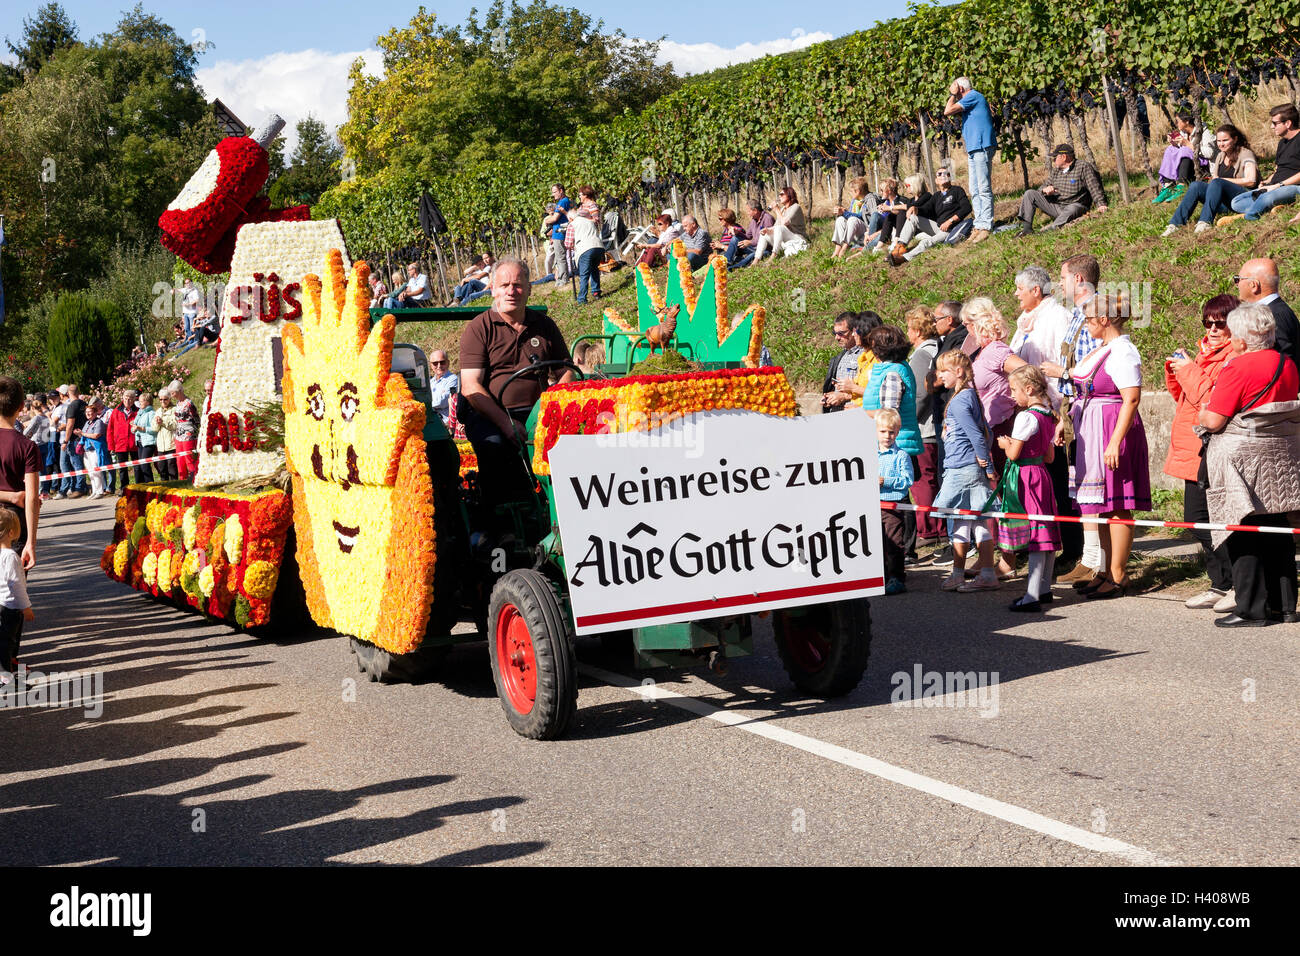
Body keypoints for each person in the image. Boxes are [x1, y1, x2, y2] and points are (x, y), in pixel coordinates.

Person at [1199, 303, 1300, 626]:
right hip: (1280, 457)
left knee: (1241, 530)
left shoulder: (1238, 367)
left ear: (1241, 340)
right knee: (1277, 528)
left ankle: (1251, 608)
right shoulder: (1288, 364)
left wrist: (1201, 413)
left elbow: (1215, 420)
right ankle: (1284, 606)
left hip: (1243, 459)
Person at [457, 257, 575, 524]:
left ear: (530, 288)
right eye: (505, 285)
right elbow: (470, 386)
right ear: (493, 289)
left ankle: (566, 514)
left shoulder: (544, 325)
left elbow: (566, 371)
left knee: (575, 441)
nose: (512, 291)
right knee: (495, 446)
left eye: (518, 285)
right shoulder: (479, 328)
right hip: (493, 415)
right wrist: (506, 424)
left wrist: (551, 405)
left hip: (540, 413)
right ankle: (502, 523)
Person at [1069, 291, 1151, 600]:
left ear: (1104, 320)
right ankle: (1103, 570)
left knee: (1116, 505)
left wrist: (1116, 440)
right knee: (1098, 505)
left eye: (1089, 319)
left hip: (1112, 428)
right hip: (1095, 426)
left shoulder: (1123, 351)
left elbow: (1131, 398)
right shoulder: (1105, 349)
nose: (1087, 325)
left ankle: (1118, 574)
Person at [1165, 294, 1238, 612]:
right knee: (1197, 520)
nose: (1212, 329)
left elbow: (1211, 398)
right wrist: (1175, 371)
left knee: (1210, 519)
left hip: (1210, 445)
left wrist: (1190, 369)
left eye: (1219, 323)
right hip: (1189, 443)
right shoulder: (1206, 352)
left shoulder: (1234, 356)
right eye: (1207, 322)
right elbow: (1185, 397)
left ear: (1233, 325)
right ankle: (1220, 583)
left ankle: (1235, 583)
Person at [1009, 264, 1080, 565]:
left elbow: (1065, 361)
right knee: (1037, 485)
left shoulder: (1057, 316)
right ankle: (1041, 544)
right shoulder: (1026, 320)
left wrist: (1060, 412)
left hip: (1050, 410)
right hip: (1031, 409)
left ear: (1036, 291)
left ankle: (1071, 549)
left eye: (1020, 290)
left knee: (1058, 482)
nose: (1016, 295)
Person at [1041, 254, 1105, 583]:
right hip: (1075, 406)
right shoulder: (1079, 314)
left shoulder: (1095, 312)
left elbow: (1099, 363)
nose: (1060, 284)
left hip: (1090, 404)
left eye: (1063, 278)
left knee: (1092, 484)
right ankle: (1090, 556)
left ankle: (1098, 560)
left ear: (1079, 280)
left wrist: (1060, 371)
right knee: (1081, 484)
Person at [992, 365, 1061, 612]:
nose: (1012, 395)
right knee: (1046, 529)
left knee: (1035, 532)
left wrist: (1004, 445)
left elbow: (1014, 454)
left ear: (1029, 389)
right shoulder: (1048, 415)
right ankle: (1044, 589)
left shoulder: (1026, 416)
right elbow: (1050, 456)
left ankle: (1031, 595)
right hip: (1041, 474)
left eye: (1014, 389)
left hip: (1025, 477)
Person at [932, 350, 1000, 592]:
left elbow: (978, 436)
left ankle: (962, 574)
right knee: (977, 520)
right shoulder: (968, 396)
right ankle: (980, 574)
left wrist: (988, 465)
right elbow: (985, 431)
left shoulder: (960, 400)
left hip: (962, 469)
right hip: (967, 467)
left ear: (958, 372)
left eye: (943, 371)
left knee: (962, 519)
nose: (939, 375)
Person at [1161, 124, 1258, 235]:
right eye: (1219, 141)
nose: (1221, 144)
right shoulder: (1221, 156)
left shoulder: (1245, 154)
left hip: (1242, 199)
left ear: (1235, 139)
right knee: (1196, 185)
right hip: (1224, 203)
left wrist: (1222, 180)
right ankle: (1175, 224)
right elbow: (1216, 181)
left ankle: (1205, 222)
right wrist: (1216, 181)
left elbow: (1251, 181)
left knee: (1217, 182)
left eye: (1225, 140)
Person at [906, 307, 944, 544]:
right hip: (932, 425)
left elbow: (920, 394)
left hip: (924, 427)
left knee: (923, 480)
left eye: (909, 328)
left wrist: (910, 419)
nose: (907, 332)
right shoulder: (935, 348)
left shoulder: (922, 355)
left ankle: (928, 529)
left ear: (917, 331)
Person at [1225, 104, 1300, 222]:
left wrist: (1279, 185)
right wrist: (1267, 181)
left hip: (1294, 186)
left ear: (1288, 123)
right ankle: (1272, 207)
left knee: (1266, 197)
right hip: (1274, 186)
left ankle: (1249, 216)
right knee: (1236, 202)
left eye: (1275, 123)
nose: (1272, 126)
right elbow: (1278, 170)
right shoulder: (1282, 143)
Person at [943, 76, 996, 243]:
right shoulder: (969, 100)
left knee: (983, 187)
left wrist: (952, 94)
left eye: (956, 88)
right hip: (974, 149)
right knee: (974, 189)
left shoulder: (973, 96)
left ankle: (986, 225)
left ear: (960, 88)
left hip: (981, 146)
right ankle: (979, 225)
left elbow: (947, 111)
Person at [1015, 144, 1107, 235]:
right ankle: (1027, 229)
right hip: (1058, 206)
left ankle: (1050, 230)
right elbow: (1041, 189)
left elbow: (1094, 187)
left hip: (1076, 206)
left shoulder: (1083, 167)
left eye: (1055, 157)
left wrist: (1101, 204)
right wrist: (1045, 190)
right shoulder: (1056, 171)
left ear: (1064, 157)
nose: (1053, 160)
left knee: (1073, 208)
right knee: (1029, 194)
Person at [890, 165, 972, 264]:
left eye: (947, 174)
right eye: (940, 174)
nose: (943, 176)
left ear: (950, 177)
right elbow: (926, 209)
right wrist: (915, 208)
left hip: (950, 230)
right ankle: (899, 247)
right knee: (912, 217)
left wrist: (950, 221)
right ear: (936, 180)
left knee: (925, 242)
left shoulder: (957, 190)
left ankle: (904, 258)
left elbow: (966, 208)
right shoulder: (936, 196)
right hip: (937, 227)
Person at [0, 377, 39, 574]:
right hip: (13, 522)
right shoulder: (26, 446)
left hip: (10, 510)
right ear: (21, 406)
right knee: (13, 591)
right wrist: (31, 542)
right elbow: (31, 498)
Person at [1233, 257, 1299, 371]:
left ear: (1254, 285)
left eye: (1238, 279)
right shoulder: (1278, 310)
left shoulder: (1272, 316)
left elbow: (1284, 363)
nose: (1237, 285)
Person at [876, 407, 914, 596]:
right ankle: (881, 577)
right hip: (875, 505)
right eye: (883, 431)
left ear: (897, 432)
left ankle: (897, 578)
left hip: (893, 507)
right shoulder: (869, 454)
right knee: (878, 543)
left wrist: (886, 481)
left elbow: (907, 480)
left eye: (891, 432)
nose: (887, 436)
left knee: (894, 544)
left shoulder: (901, 456)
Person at [1153, 111, 1216, 202]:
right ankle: (1168, 186)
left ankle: (1181, 186)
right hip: (1190, 163)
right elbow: (1179, 150)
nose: (1176, 123)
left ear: (1186, 121)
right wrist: (1174, 143)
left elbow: (1210, 153)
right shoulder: (1184, 132)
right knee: (1170, 149)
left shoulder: (1204, 132)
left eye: (1178, 121)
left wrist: (1189, 145)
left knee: (1185, 150)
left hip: (1203, 166)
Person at [0, 509, 34, 679]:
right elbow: (16, 585)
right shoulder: (10, 556)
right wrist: (26, 607)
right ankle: (5, 677)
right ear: (11, 532)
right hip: (9, 606)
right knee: (7, 643)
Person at [830, 312, 883, 408]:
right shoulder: (863, 358)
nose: (854, 334)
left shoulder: (880, 359)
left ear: (867, 332)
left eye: (856, 331)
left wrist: (852, 392)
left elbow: (881, 395)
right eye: (835, 333)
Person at [752, 187, 808, 263]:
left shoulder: (796, 207)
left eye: (782, 194)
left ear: (789, 195)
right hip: (786, 240)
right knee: (764, 234)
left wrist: (777, 210)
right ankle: (755, 261)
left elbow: (784, 223)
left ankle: (774, 255)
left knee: (779, 228)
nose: (779, 196)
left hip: (797, 238)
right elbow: (776, 227)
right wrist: (767, 230)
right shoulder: (782, 209)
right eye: (779, 195)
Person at [821, 312, 863, 413]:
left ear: (854, 331)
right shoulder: (841, 356)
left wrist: (844, 397)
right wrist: (830, 397)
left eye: (841, 333)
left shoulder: (865, 355)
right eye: (835, 333)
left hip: (856, 415)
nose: (837, 338)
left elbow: (872, 391)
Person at [58, 385, 87, 499]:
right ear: (79, 392)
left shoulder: (72, 406)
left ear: (68, 393)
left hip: (74, 439)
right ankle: (76, 486)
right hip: (82, 436)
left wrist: (65, 441)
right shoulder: (83, 404)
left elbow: (70, 425)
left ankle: (80, 488)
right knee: (77, 463)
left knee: (77, 463)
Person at [725, 201, 775, 269]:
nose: (748, 213)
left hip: (766, 250)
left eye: (749, 211)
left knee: (753, 255)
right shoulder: (753, 220)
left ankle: (733, 268)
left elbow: (769, 240)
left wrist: (750, 242)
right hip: (755, 247)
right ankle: (726, 262)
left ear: (755, 210)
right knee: (735, 238)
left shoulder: (768, 219)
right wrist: (737, 232)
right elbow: (747, 236)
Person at [830, 177, 873, 257]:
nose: (850, 193)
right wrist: (843, 212)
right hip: (854, 230)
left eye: (851, 191)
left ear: (858, 191)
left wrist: (845, 212)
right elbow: (851, 214)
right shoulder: (855, 200)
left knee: (853, 220)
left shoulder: (868, 200)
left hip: (865, 231)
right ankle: (838, 248)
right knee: (840, 219)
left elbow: (860, 216)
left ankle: (844, 248)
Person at [571, 209, 606, 304]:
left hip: (585, 248)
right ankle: (596, 292)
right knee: (594, 269)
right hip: (599, 247)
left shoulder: (573, 224)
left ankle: (582, 299)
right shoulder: (591, 222)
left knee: (584, 274)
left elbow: (568, 242)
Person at [107, 389, 137, 494]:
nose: (127, 401)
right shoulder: (116, 411)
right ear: (122, 398)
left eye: (130, 399)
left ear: (134, 400)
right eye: (126, 398)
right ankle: (124, 488)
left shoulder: (137, 411)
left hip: (134, 444)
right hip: (120, 444)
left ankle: (139, 487)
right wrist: (111, 447)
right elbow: (110, 430)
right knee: (122, 468)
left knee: (137, 466)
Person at [78, 397, 109, 498]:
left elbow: (96, 435)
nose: (88, 414)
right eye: (87, 412)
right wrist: (80, 434)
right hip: (87, 450)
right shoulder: (87, 423)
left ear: (95, 413)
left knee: (96, 470)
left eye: (90, 412)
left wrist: (82, 433)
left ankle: (100, 491)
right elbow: (84, 435)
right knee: (90, 472)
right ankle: (94, 490)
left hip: (95, 450)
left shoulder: (98, 422)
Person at [544, 184, 575, 282]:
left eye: (554, 192)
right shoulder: (566, 201)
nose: (553, 195)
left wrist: (546, 221)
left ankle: (563, 280)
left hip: (559, 233)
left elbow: (555, 218)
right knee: (561, 257)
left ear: (561, 191)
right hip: (559, 232)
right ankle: (563, 278)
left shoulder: (562, 202)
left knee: (560, 258)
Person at [171, 385, 199, 481]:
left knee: (189, 458)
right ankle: (183, 480)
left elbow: (196, 418)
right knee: (180, 460)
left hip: (188, 435)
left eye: (173, 393)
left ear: (179, 391)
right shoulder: (178, 403)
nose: (171, 395)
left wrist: (193, 432)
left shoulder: (189, 403)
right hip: (178, 435)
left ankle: (194, 479)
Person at [153, 388, 179, 481]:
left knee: (172, 469)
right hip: (160, 446)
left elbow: (175, 425)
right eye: (160, 399)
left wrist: (163, 421)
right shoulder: (158, 411)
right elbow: (154, 428)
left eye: (165, 399)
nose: (163, 401)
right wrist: (157, 422)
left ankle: (176, 489)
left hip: (171, 445)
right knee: (162, 469)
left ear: (169, 399)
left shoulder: (174, 409)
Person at [429, 349, 459, 425]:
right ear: (431, 365)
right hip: (432, 421)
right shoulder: (430, 382)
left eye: (442, 362)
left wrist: (426, 405)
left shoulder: (453, 379)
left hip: (446, 425)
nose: (439, 366)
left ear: (448, 363)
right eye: (435, 363)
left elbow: (442, 401)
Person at [181, 277, 200, 342]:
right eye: (186, 283)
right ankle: (190, 341)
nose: (187, 284)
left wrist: (188, 304)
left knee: (192, 328)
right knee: (186, 328)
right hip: (186, 312)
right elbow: (177, 290)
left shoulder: (194, 291)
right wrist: (173, 290)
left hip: (192, 312)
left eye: (188, 283)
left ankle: (195, 341)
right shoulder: (185, 290)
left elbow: (197, 300)